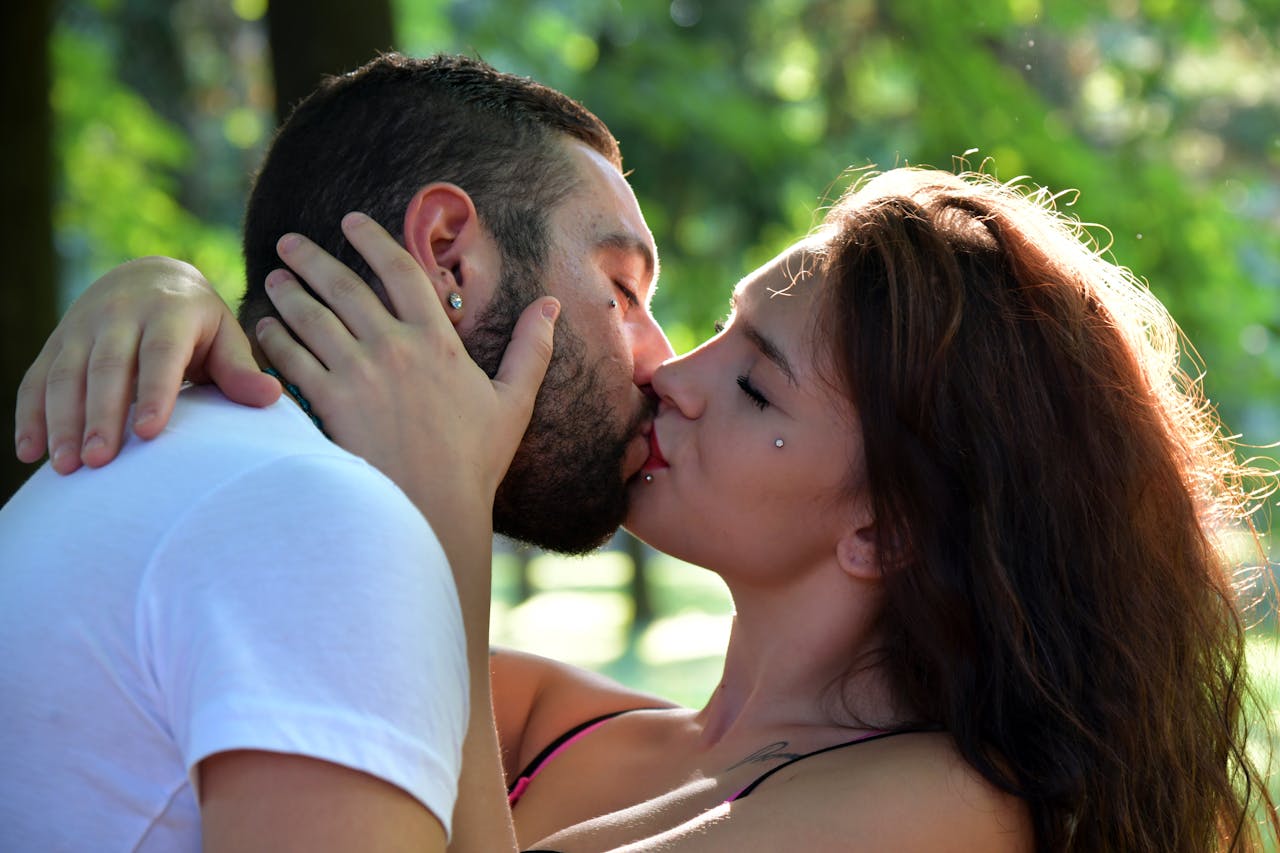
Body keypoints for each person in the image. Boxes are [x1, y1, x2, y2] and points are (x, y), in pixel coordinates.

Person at [17, 165, 1279, 851]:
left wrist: (445, 516)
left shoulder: (945, 805)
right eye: (713, 329)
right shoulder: (563, 716)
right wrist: (168, 298)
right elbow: (251, 650)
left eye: (751, 377)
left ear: (881, 529)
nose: (665, 374)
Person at [0, 50, 676, 852]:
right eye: (623, 289)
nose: (661, 358)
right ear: (450, 254)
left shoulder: (189, 460)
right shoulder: (319, 521)